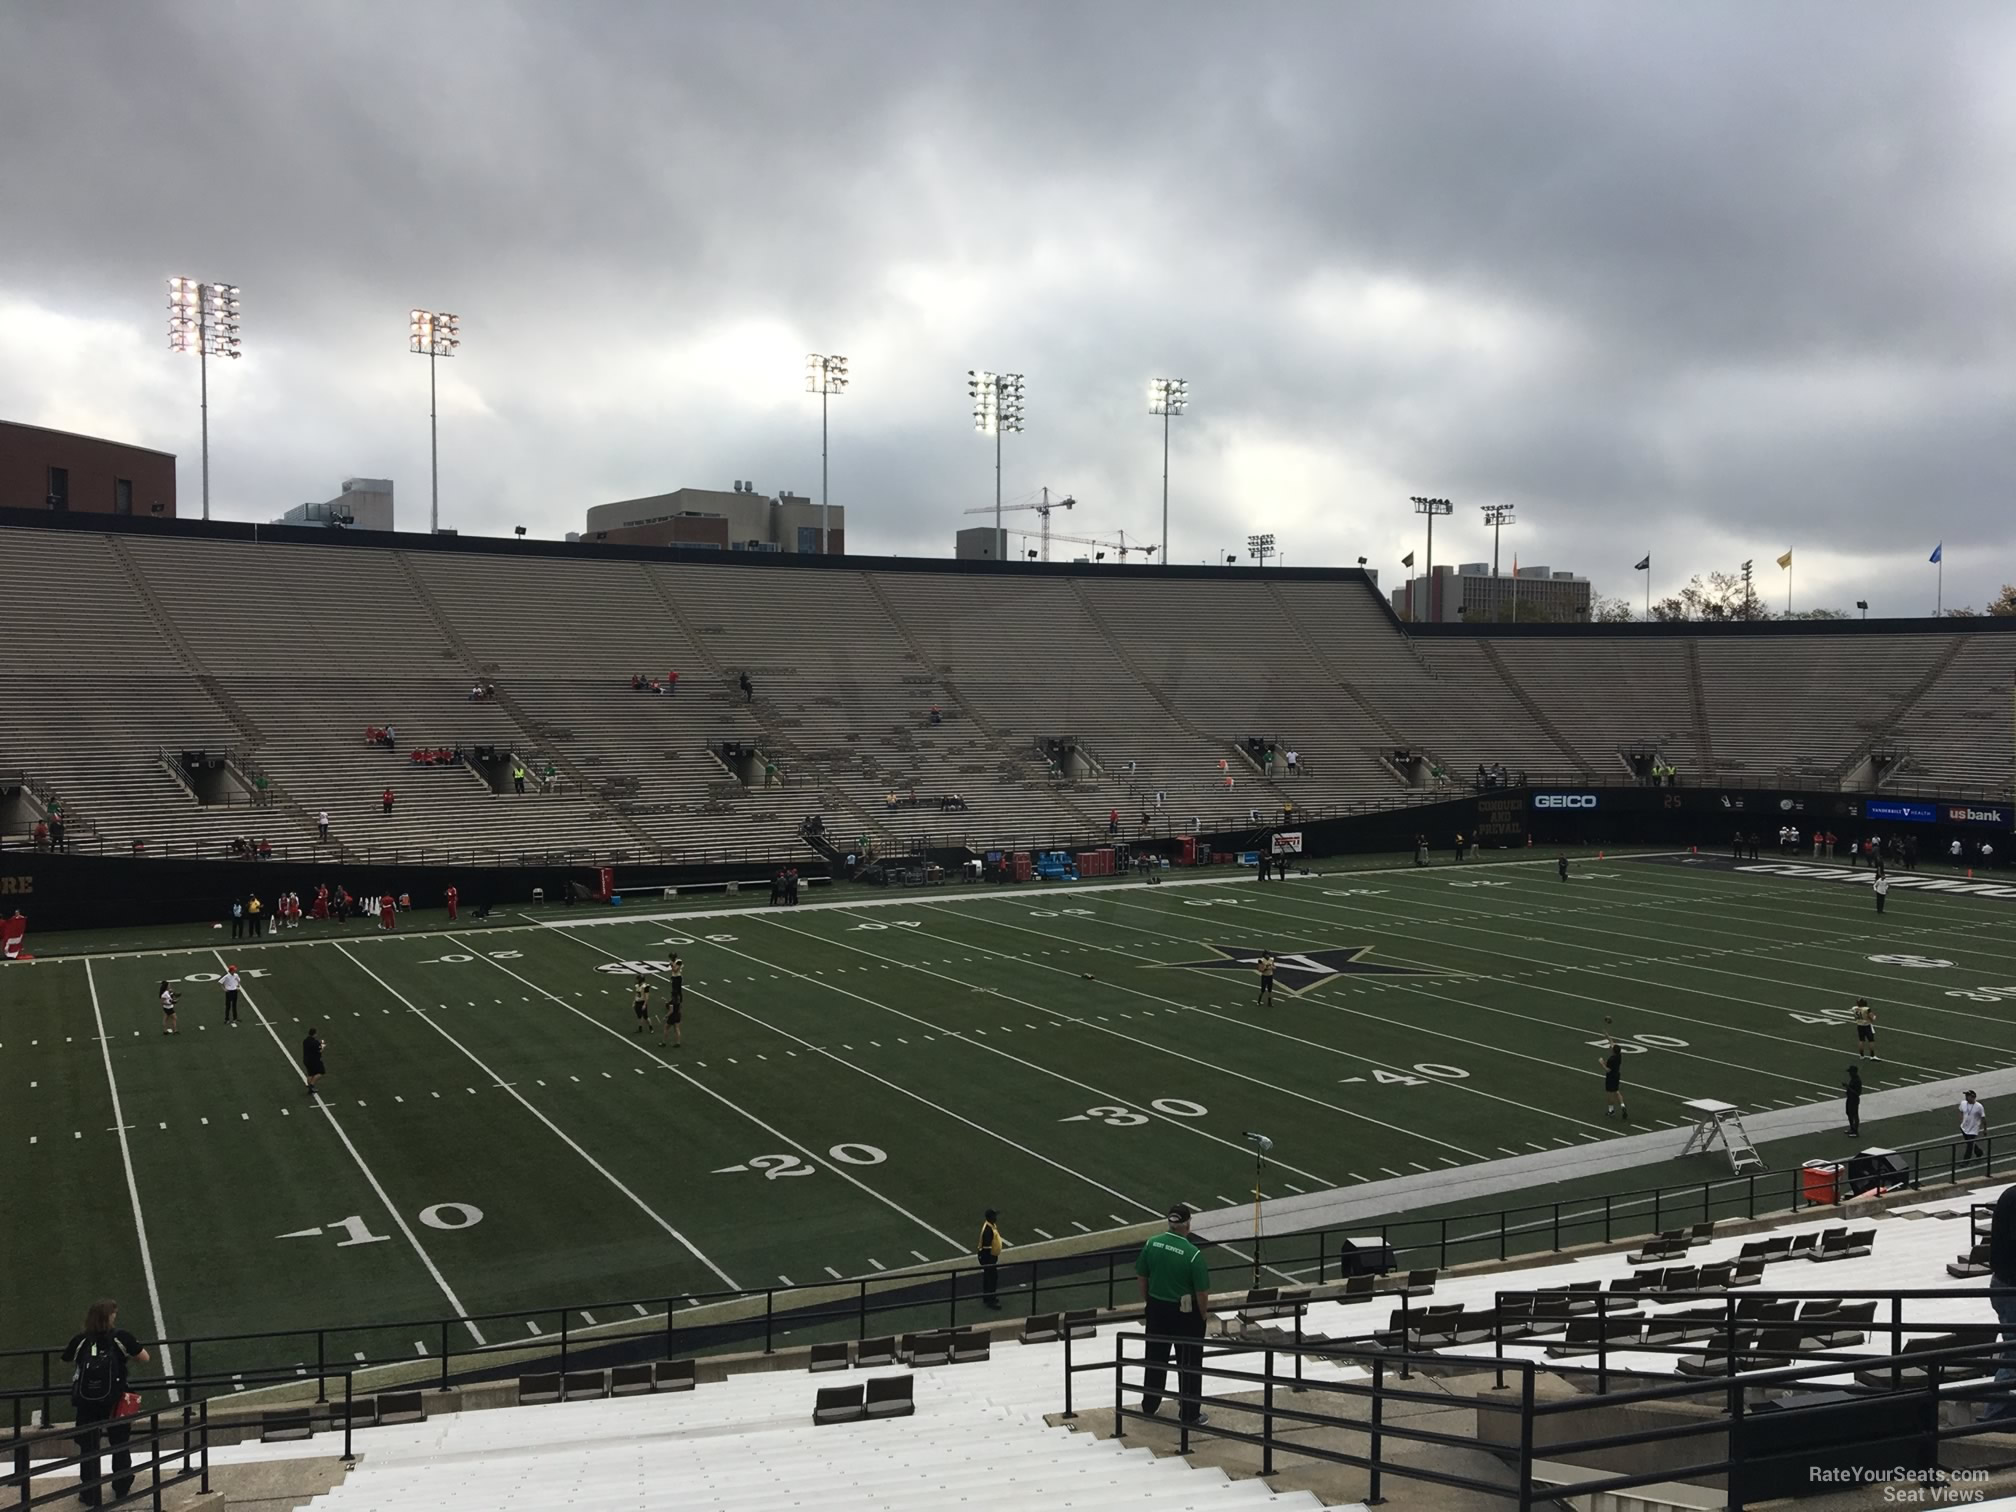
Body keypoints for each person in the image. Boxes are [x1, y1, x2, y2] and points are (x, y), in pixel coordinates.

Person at [64, 1299, 150, 1507]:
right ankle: (121, 1486)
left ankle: (89, 1491)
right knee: (120, 1443)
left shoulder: (81, 1340)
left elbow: (66, 1359)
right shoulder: (121, 1337)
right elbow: (144, 1357)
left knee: (89, 1447)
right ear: (110, 1317)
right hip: (116, 1398)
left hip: (87, 1401)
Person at [1135, 1205, 1211, 1426]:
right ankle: (1189, 1412)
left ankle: (1149, 1404)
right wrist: (1203, 1315)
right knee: (1189, 1363)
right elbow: (1202, 1293)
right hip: (1185, 1313)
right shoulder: (1192, 1254)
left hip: (1157, 1308)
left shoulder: (1152, 1243)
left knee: (1155, 1357)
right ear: (1187, 1224)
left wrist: (1150, 1301)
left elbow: (1141, 1275)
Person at [1983, 1183, 2016, 1422]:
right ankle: (1993, 1417)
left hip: (2004, 1283)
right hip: (2010, 1287)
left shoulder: (2010, 1195)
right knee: (2014, 1354)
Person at [977, 1209, 1005, 1309]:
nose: (996, 1218)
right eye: (994, 1216)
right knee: (991, 1277)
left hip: (990, 1256)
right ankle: (990, 1300)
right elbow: (986, 1248)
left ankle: (987, 1297)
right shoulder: (988, 1230)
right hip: (988, 1257)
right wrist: (990, 1261)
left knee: (989, 1277)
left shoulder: (990, 1226)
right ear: (990, 1218)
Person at [660, 955, 685, 1047]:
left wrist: (672, 964)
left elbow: (675, 970)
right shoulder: (675, 962)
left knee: (667, 1027)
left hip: (677, 978)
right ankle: (677, 1042)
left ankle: (664, 1042)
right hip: (677, 1013)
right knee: (677, 1028)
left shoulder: (678, 962)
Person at [1599, 1037, 1627, 1121]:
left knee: (1610, 1093)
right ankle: (1622, 1106)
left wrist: (1601, 1063)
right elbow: (1612, 1043)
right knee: (1617, 1091)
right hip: (1617, 1075)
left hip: (1611, 1077)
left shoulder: (1611, 1059)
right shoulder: (1619, 1056)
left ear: (1613, 1051)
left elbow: (1608, 1070)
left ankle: (1611, 1110)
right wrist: (1607, 1036)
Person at [1961, 1091, 1988, 1161]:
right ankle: (1979, 1152)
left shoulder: (1979, 1106)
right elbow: (1961, 1112)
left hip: (1973, 1129)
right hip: (1964, 1128)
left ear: (1973, 1097)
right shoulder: (1963, 1103)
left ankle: (1966, 1161)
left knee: (1969, 1146)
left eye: (1968, 1096)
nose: (1966, 1097)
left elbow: (1983, 1118)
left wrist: (1985, 1129)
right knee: (1970, 1142)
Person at [303, 1026, 327, 1098]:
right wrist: (322, 1046)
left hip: (306, 1059)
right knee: (321, 1072)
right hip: (314, 1060)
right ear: (314, 1034)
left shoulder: (305, 1041)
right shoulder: (315, 1042)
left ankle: (310, 1089)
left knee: (310, 1074)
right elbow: (319, 1051)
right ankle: (312, 1086)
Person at [1844, 1064, 1862, 1136]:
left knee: (1855, 1115)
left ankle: (1855, 1131)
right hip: (1850, 1098)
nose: (1849, 1074)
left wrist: (1848, 1087)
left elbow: (1858, 1093)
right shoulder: (1853, 1079)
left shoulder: (1857, 1080)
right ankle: (1852, 1128)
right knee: (1849, 1113)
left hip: (1854, 1100)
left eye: (1850, 1072)